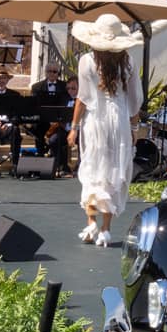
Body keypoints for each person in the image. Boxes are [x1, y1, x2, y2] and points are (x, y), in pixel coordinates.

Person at [66, 14, 142, 247]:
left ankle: (91, 222)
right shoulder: (127, 62)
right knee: (113, 170)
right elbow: (134, 100)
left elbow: (83, 98)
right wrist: (134, 128)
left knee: (92, 168)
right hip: (118, 120)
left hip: (96, 120)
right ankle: (106, 230)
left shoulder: (86, 61)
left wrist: (74, 127)